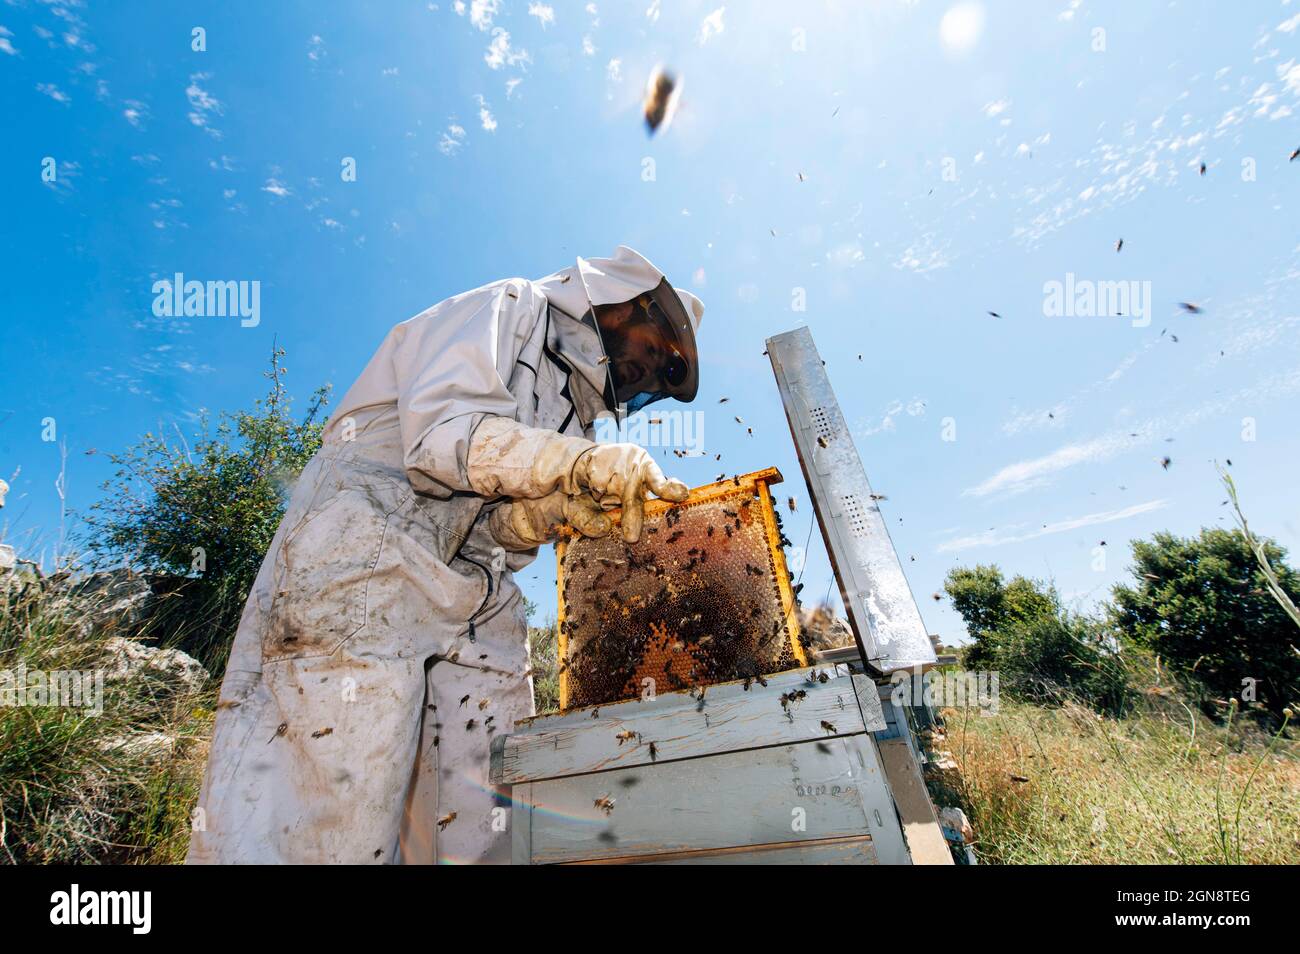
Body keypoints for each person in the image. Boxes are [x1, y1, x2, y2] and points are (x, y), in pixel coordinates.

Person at [187, 246, 703, 864]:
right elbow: (441, 439)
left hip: (471, 593)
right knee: (336, 783)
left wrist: (541, 516)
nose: (646, 369)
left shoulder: (574, 420)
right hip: (368, 551)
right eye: (652, 344)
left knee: (484, 798)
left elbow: (491, 533)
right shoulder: (511, 306)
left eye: (656, 374)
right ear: (620, 300)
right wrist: (571, 464)